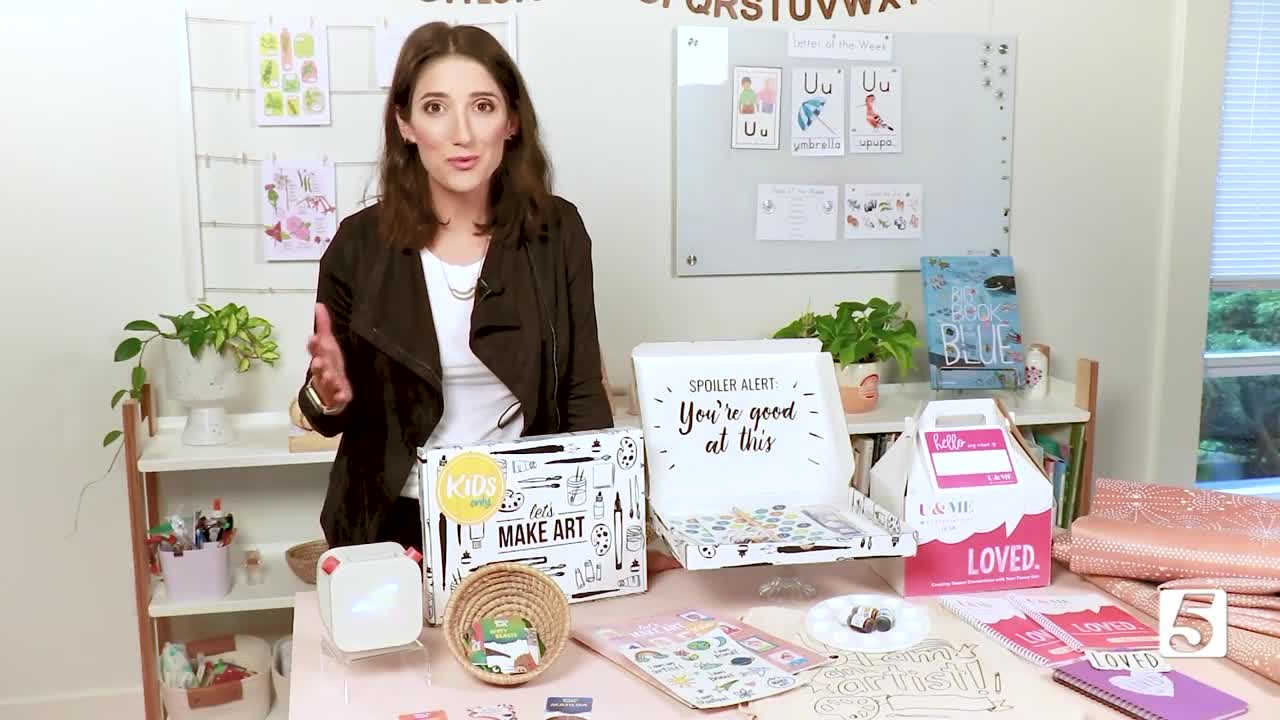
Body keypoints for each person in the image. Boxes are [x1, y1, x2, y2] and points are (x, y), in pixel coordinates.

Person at [297, 22, 614, 551]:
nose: (461, 133)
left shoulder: (557, 231)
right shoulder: (358, 244)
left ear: (511, 122)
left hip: (529, 514)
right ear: (405, 124)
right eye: (436, 107)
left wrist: (606, 526)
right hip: (394, 525)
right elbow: (327, 411)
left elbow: (582, 392)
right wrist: (328, 397)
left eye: (483, 106)